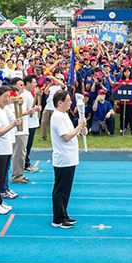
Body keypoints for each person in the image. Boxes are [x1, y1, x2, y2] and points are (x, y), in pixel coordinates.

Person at [50, 89, 85, 228]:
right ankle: (58, 218)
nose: (70, 102)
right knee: (61, 189)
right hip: (63, 158)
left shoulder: (64, 115)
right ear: (60, 102)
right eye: (68, 100)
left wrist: (81, 131)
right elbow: (65, 137)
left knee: (66, 190)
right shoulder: (57, 116)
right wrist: (79, 126)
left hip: (70, 157)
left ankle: (64, 214)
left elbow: (71, 133)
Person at [0, 85, 22, 215]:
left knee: (2, 177)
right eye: (5, 96)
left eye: (9, 96)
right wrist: (12, 125)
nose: (8, 99)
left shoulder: (4, 110)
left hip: (6, 148)